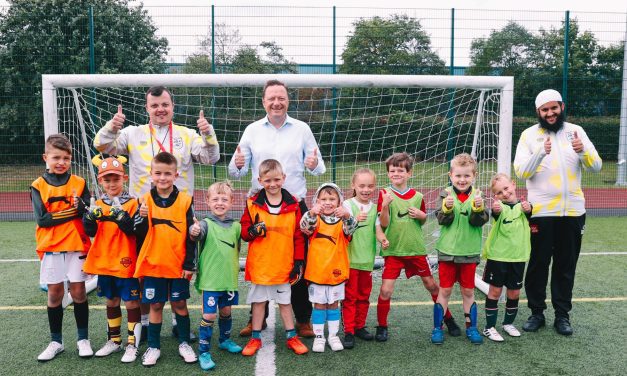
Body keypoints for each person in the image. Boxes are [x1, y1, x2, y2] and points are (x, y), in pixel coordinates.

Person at [94, 85, 218, 340]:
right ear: (147, 108)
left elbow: (211, 158)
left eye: (165, 104)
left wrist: (208, 134)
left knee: (176, 267)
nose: (160, 109)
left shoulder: (186, 134)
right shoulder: (132, 133)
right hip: (142, 215)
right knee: (143, 270)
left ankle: (175, 319)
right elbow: (103, 145)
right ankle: (142, 324)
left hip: (177, 215)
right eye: (155, 105)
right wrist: (112, 126)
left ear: (172, 107)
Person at [229, 79, 325, 338]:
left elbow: (320, 168)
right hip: (261, 206)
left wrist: (313, 163)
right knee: (263, 261)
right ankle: (256, 319)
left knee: (298, 262)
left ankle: (303, 319)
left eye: (281, 97)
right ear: (264, 102)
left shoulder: (302, 129)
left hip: (295, 206)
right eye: (271, 98)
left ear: (287, 100)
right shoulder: (252, 130)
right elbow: (234, 172)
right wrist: (238, 164)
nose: (276, 102)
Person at [514, 89, 602, 336]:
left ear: (562, 106)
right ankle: (536, 313)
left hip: (573, 212)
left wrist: (582, 150)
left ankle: (562, 316)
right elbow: (521, 173)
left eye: (554, 108)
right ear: (538, 112)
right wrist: (541, 152)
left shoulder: (576, 131)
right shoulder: (528, 136)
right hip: (540, 212)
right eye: (545, 110)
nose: (550, 113)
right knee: (538, 264)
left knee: (566, 266)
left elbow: (596, 166)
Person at [375, 152, 461, 343]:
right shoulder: (384, 194)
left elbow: (422, 221)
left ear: (409, 173)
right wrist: (387, 206)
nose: (396, 174)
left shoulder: (418, 196)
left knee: (431, 285)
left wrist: (421, 214)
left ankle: (448, 319)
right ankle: (381, 326)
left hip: (415, 249)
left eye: (400, 170)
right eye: (392, 171)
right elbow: (383, 223)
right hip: (394, 252)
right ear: (388, 174)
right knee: (386, 290)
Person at [31, 133, 93, 361]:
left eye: (66, 158)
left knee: (78, 292)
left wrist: (80, 210)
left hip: (77, 245)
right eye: (56, 157)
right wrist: (73, 210)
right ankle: (56, 341)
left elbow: (87, 213)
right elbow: (43, 220)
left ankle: (83, 339)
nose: (61, 162)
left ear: (70, 158)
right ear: (45, 157)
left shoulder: (80, 182)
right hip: (51, 247)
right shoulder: (37, 186)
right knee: (55, 293)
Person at [239, 159, 309, 357]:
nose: (272, 184)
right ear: (260, 180)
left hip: (283, 265)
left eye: (277, 179)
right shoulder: (252, 204)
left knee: (285, 303)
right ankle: (255, 337)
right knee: (259, 302)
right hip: (261, 265)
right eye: (268, 180)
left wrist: (298, 262)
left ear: (283, 178)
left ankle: (291, 337)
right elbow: (244, 232)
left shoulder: (294, 205)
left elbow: (299, 236)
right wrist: (252, 231)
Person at [133, 152, 197, 367]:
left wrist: (189, 264)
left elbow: (191, 235)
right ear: (151, 174)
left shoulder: (186, 201)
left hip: (177, 264)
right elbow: (139, 235)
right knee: (156, 305)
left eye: (167, 173)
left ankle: (184, 342)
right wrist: (141, 218)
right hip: (153, 265)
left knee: (179, 303)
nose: (162, 178)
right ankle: (153, 346)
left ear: (176, 175)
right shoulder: (143, 201)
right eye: (158, 173)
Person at [82, 155, 142, 362]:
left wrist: (123, 221)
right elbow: (90, 231)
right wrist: (88, 218)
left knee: (132, 302)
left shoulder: (133, 203)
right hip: (105, 262)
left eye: (115, 179)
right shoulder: (98, 204)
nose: (111, 183)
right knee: (111, 300)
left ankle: (132, 344)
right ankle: (114, 341)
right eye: (107, 179)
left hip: (126, 262)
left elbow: (136, 231)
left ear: (123, 178)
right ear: (100, 181)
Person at [431, 153, 488, 345]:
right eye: (458, 176)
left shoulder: (479, 196)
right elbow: (441, 220)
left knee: (468, 292)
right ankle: (437, 328)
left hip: (469, 253)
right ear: (450, 175)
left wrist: (478, 209)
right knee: (444, 291)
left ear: (474, 176)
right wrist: (446, 209)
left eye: (466, 176)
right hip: (447, 253)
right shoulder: (444, 194)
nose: (462, 180)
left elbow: (478, 222)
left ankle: (471, 327)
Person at [189, 181, 243, 371]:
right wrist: (193, 231)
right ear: (207, 202)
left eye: (224, 199)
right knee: (209, 314)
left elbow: (237, 248)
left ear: (231, 202)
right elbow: (196, 234)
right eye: (215, 199)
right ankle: (203, 351)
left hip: (228, 280)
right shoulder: (205, 224)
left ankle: (224, 340)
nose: (220, 203)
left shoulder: (236, 226)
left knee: (226, 311)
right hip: (211, 280)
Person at [300, 183, 358, 352]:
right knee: (318, 305)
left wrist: (347, 215)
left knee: (333, 304)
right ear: (317, 201)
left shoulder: (343, 220)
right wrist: (311, 212)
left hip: (336, 272)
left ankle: (333, 336)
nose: (328, 202)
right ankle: (319, 337)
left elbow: (352, 228)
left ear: (339, 202)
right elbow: (304, 227)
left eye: (332, 199)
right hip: (317, 272)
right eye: (323, 199)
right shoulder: (313, 218)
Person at [481, 173, 532, 342]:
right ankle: (489, 327)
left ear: (513, 184)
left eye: (506, 188)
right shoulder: (499, 208)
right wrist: (495, 210)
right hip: (498, 257)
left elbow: (530, 212)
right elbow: (495, 213)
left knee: (514, 292)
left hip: (517, 258)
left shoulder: (525, 207)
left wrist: (528, 209)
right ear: (495, 196)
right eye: (499, 192)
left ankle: (508, 324)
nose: (504, 193)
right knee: (495, 292)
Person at [341, 168, 388, 349]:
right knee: (350, 297)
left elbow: (377, 229)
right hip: (350, 261)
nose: (366, 189)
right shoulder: (347, 205)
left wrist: (383, 239)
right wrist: (353, 219)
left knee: (364, 296)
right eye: (361, 186)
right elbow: (344, 229)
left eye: (370, 186)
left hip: (367, 262)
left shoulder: (374, 208)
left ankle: (360, 326)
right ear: (354, 185)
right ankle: (349, 331)